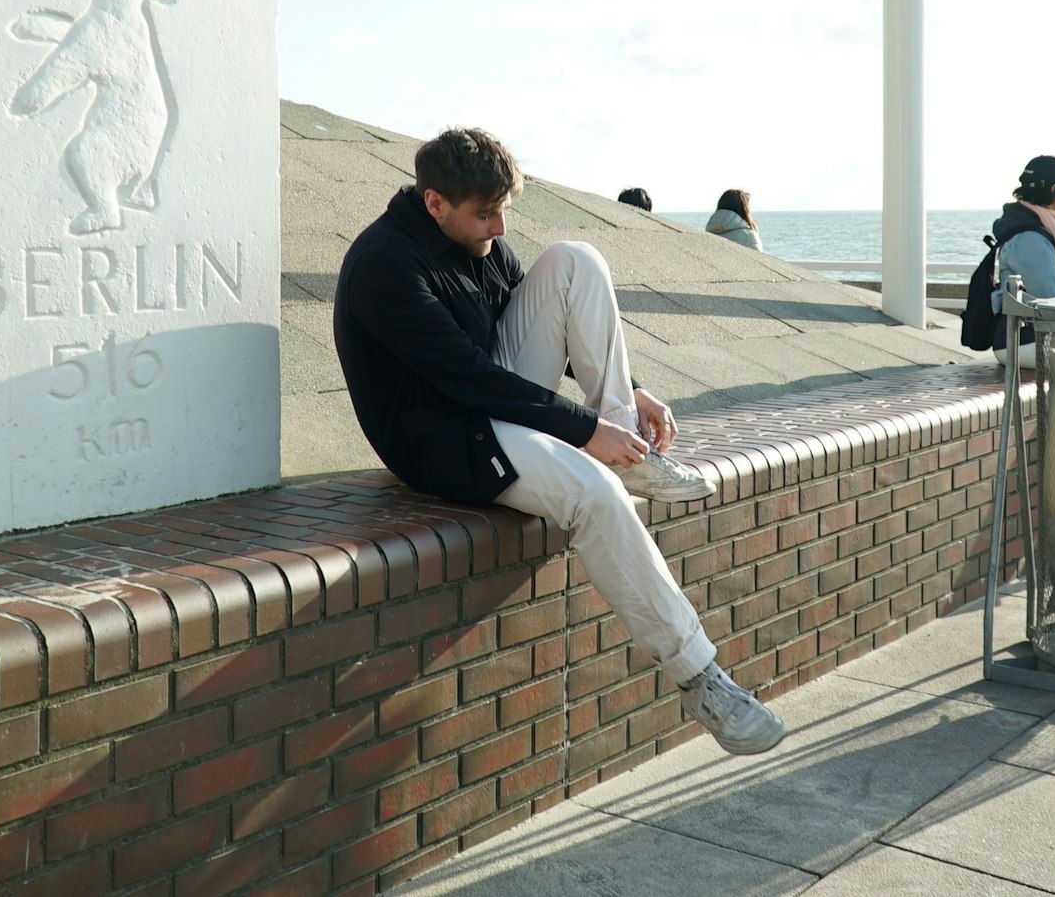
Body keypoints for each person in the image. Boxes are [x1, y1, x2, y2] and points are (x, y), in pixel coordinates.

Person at [333, 128, 786, 754]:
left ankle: (631, 444)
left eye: (502, 212)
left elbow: (548, 318)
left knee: (575, 259)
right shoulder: (384, 265)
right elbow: (467, 378)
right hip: (443, 439)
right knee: (595, 492)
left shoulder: (480, 238)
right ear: (435, 203)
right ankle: (701, 680)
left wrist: (632, 392)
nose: (497, 227)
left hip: (494, 403)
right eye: (484, 214)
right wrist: (584, 433)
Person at [989, 155, 1055, 368]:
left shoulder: (1035, 226)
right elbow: (1051, 299)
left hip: (1034, 336)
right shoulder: (1029, 238)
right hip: (1023, 340)